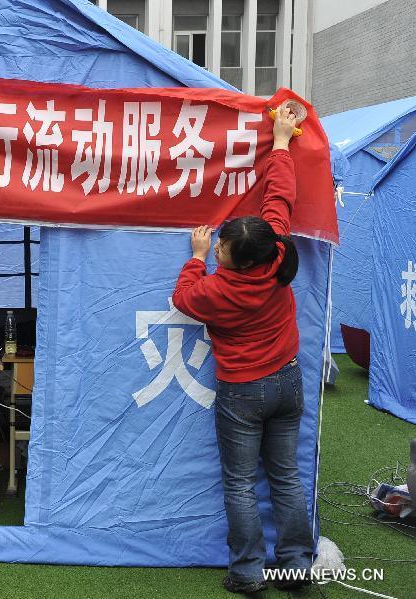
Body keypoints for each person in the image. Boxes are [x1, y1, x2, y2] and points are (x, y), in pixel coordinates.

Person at [172, 105, 314, 593]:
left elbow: (183, 299)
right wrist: (279, 141)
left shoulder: (219, 290)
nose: (217, 249)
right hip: (287, 381)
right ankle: (295, 567)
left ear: (234, 257)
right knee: (286, 478)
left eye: (222, 249)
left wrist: (194, 259)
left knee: (239, 483)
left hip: (244, 392)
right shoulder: (277, 251)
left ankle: (249, 573)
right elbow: (281, 193)